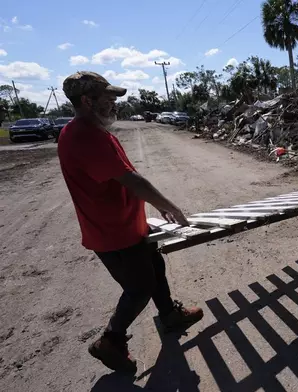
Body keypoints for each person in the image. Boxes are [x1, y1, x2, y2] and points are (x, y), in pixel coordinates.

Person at [57, 71, 203, 373]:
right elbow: (132, 180)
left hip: (125, 224)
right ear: (87, 101)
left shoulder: (87, 131)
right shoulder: (87, 136)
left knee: (155, 266)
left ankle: (170, 315)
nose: (114, 105)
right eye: (109, 99)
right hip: (113, 232)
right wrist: (169, 206)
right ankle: (110, 340)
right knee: (139, 288)